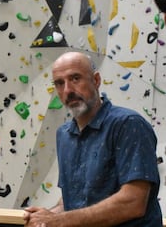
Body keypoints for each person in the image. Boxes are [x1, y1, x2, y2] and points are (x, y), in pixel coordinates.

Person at [23, 52, 162, 227]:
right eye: (59, 83)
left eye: (75, 78)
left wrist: (58, 221)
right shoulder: (64, 134)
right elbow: (73, 200)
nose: (67, 90)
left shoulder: (128, 124)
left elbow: (133, 202)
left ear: (96, 81)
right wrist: (44, 217)